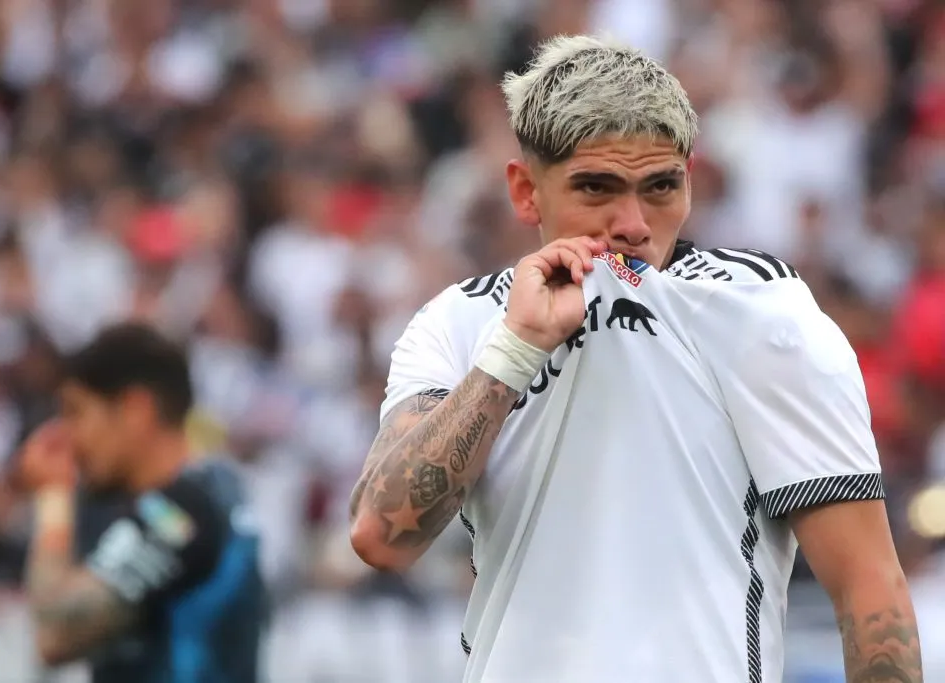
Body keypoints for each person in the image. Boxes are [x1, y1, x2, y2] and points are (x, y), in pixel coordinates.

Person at [348, 35, 923, 682]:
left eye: (660, 186)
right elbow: (382, 536)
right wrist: (515, 351)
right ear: (526, 191)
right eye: (597, 188)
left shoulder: (763, 314)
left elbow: (869, 587)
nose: (634, 224)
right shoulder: (459, 323)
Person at [17, 322, 266, 683]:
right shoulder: (211, 491)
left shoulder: (181, 512)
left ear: (136, 410)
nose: (66, 437)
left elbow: (56, 633)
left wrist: (53, 496)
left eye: (76, 412)